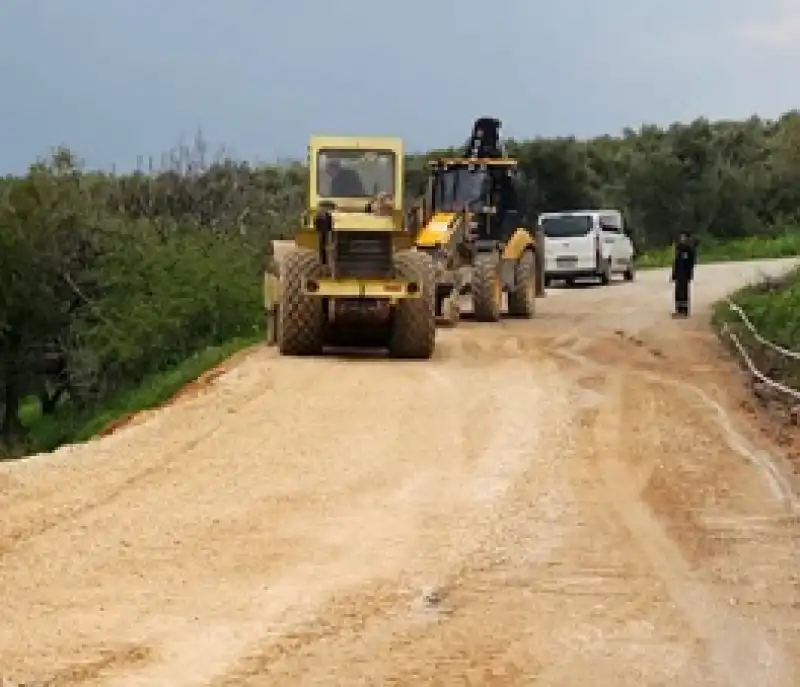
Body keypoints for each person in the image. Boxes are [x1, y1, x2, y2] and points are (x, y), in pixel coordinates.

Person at [671, 232, 697, 317]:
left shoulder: (688, 249)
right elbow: (676, 262)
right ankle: (678, 309)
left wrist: (689, 273)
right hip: (678, 273)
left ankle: (684, 310)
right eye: (681, 237)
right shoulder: (679, 248)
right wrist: (674, 273)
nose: (682, 239)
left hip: (685, 273)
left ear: (687, 238)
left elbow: (691, 262)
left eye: (683, 237)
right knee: (678, 292)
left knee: (684, 292)